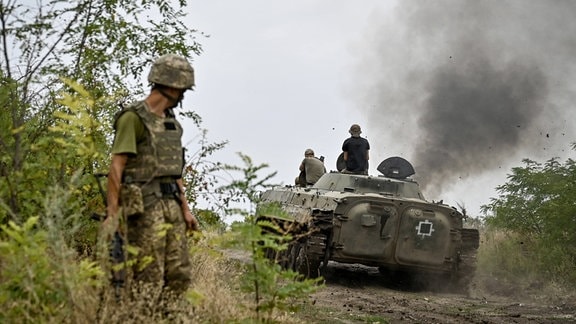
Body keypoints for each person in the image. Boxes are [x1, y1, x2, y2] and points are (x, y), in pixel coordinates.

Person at [103, 54, 200, 299]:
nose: (182, 97)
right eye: (182, 91)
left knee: (180, 273)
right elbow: (117, 166)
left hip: (172, 206)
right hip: (144, 207)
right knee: (148, 275)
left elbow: (175, 171)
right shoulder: (132, 118)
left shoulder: (172, 124)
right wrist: (112, 215)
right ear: (171, 86)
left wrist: (186, 210)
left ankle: (165, 316)